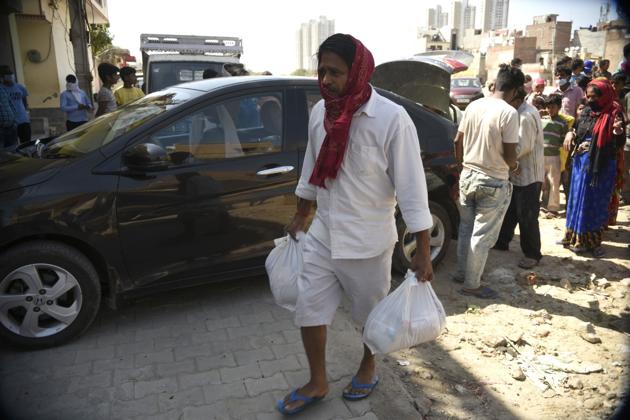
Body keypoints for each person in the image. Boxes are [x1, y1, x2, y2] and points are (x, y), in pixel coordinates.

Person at [277, 33, 434, 415]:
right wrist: (301, 215)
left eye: (335, 72)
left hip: (368, 243)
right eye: (322, 71)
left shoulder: (391, 119)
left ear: (359, 71)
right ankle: (317, 381)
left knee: (370, 318)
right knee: (308, 308)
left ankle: (368, 365)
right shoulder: (321, 114)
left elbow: (413, 190)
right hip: (322, 235)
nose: (326, 80)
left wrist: (424, 252)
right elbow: (312, 170)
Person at [452, 64, 522, 299]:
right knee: (481, 236)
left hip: (468, 175)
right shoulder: (509, 113)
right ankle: (472, 284)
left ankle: (463, 273)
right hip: (492, 179)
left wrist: (462, 164)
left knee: (466, 229)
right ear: (514, 90)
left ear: (497, 83)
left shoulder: (474, 105)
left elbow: (456, 140)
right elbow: (510, 154)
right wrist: (514, 166)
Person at [560, 79, 625, 258]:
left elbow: (619, 142)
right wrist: (570, 133)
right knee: (576, 200)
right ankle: (573, 238)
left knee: (594, 203)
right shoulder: (588, 110)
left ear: (603, 96)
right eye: (588, 96)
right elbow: (577, 128)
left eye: (593, 97)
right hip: (581, 165)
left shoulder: (614, 113)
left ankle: (593, 242)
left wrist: (617, 133)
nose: (589, 100)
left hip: (601, 166)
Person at [494, 86, 545, 269]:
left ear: (515, 97)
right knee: (511, 210)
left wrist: (495, 152)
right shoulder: (518, 112)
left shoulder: (525, 116)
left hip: (528, 174)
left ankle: (532, 254)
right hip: (516, 172)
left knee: (527, 215)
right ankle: (502, 241)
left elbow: (520, 148)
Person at [540, 94, 569, 216]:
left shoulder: (562, 123)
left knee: (554, 182)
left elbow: (563, 140)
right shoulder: (542, 120)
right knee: (542, 182)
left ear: (559, 107)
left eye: (552, 107)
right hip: (540, 156)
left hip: (554, 157)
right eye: (548, 107)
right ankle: (543, 204)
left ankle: (553, 208)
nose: (549, 110)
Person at [0, 65, 30, 143]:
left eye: (11, 76)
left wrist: (26, 110)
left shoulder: (20, 87)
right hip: (11, 123)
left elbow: (24, 99)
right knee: (13, 145)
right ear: (3, 78)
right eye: (8, 76)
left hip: (24, 120)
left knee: (27, 144)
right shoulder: (2, 89)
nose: (11, 78)